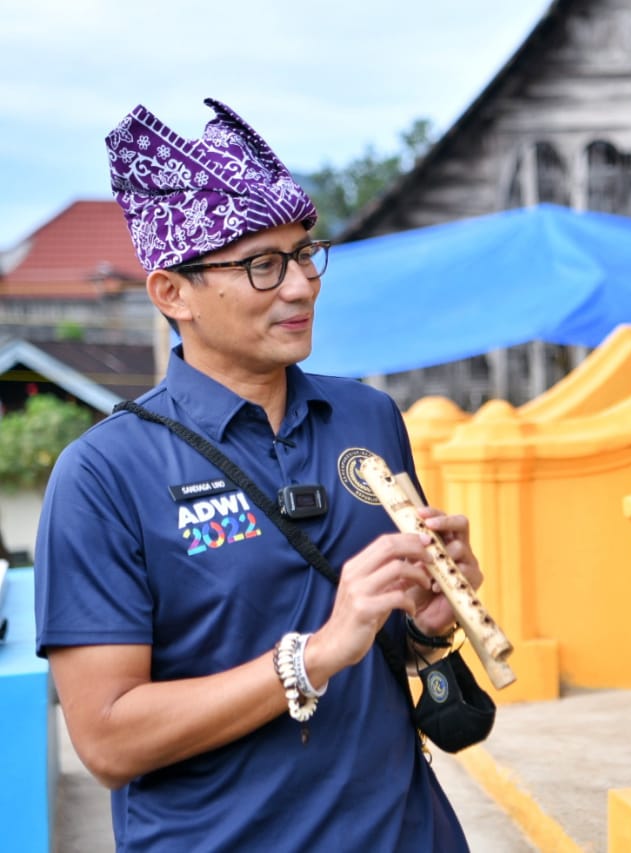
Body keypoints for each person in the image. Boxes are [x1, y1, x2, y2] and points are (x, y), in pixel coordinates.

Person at [35, 99, 479, 851]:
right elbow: (107, 739)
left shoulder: (366, 419)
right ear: (172, 293)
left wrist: (433, 620)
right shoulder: (104, 474)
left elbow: (390, 646)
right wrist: (314, 654)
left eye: (306, 253)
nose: (301, 285)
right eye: (261, 265)